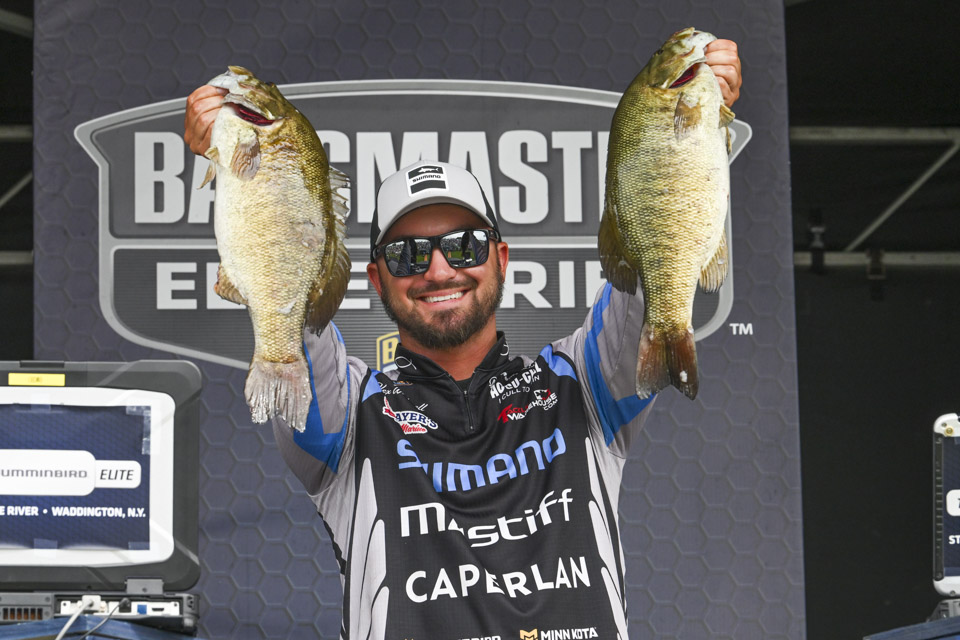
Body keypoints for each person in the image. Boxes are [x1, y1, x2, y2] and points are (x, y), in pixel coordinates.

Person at [185, 40, 741, 640]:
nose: (439, 269)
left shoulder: (584, 381)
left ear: (501, 258)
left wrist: (699, 118)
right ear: (377, 279)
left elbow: (655, 263)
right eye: (407, 254)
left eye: (464, 246)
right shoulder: (349, 418)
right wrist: (241, 155)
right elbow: (289, 303)